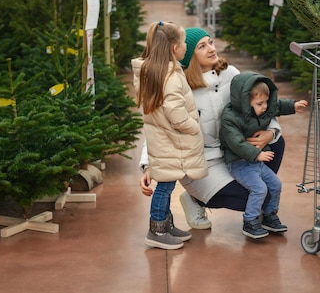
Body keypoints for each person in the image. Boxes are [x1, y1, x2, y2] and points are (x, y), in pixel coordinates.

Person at [139, 27, 285, 230]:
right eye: (202, 46)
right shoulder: (178, 87)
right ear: (188, 55)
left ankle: (258, 196)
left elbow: (262, 104)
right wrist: (148, 166)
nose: (211, 48)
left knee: (276, 143)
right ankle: (195, 200)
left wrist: (270, 133)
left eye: (210, 42)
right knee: (257, 196)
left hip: (236, 152)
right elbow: (158, 128)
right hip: (203, 163)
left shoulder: (231, 74)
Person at [131, 21, 207, 250]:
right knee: (165, 186)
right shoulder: (171, 74)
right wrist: (193, 126)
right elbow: (175, 111)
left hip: (161, 138)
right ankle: (157, 230)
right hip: (173, 139)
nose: (186, 47)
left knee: (167, 183)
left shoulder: (151, 71)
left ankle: (166, 224)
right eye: (184, 43)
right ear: (175, 48)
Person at [220, 71, 308, 239]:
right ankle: (250, 221)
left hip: (256, 162)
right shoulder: (230, 118)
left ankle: (269, 215)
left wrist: (293, 106)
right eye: (260, 103)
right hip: (239, 163)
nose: (265, 107)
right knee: (259, 189)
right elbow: (235, 143)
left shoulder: (262, 110)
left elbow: (277, 107)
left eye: (265, 102)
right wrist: (256, 154)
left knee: (275, 184)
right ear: (245, 102)